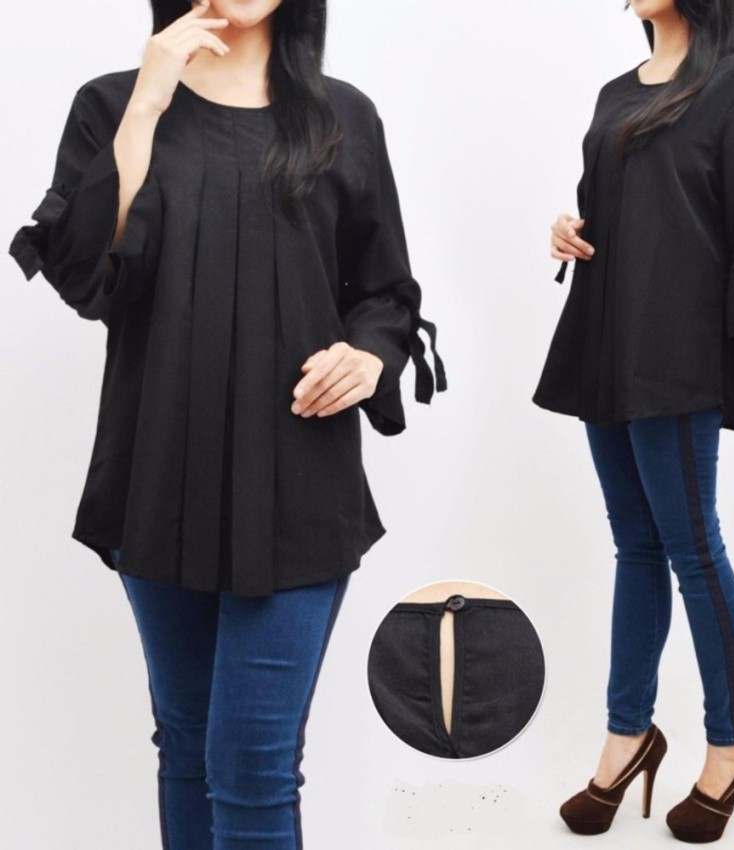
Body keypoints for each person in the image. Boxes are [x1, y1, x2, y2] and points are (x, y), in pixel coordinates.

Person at [8, 1, 445, 847]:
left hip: (297, 483)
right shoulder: (113, 102)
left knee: (252, 769)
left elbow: (385, 291)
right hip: (158, 478)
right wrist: (148, 102)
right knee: (186, 749)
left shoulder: (343, 117)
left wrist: (369, 356)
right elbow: (85, 275)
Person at [533, 0, 734, 842]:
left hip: (681, 349)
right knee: (636, 546)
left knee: (693, 549)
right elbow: (621, 207)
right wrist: (568, 227)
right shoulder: (616, 91)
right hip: (606, 342)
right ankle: (628, 736)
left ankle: (732, 742)